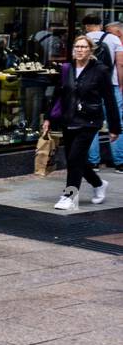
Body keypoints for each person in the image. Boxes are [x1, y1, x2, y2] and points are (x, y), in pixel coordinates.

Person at [45, 33, 122, 211]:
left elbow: (109, 99)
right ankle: (98, 184)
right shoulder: (66, 68)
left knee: (74, 158)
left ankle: (69, 196)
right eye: (77, 47)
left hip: (89, 120)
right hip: (69, 119)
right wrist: (48, 118)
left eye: (83, 47)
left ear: (90, 50)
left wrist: (114, 127)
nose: (80, 50)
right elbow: (58, 95)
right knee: (76, 159)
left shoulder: (100, 70)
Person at [87, 16, 123, 168]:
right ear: (100, 24)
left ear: (87, 26)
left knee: (91, 122)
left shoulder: (84, 38)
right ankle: (120, 162)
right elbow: (120, 63)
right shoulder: (115, 40)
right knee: (116, 121)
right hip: (111, 84)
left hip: (91, 85)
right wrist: (121, 85)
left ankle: (93, 161)